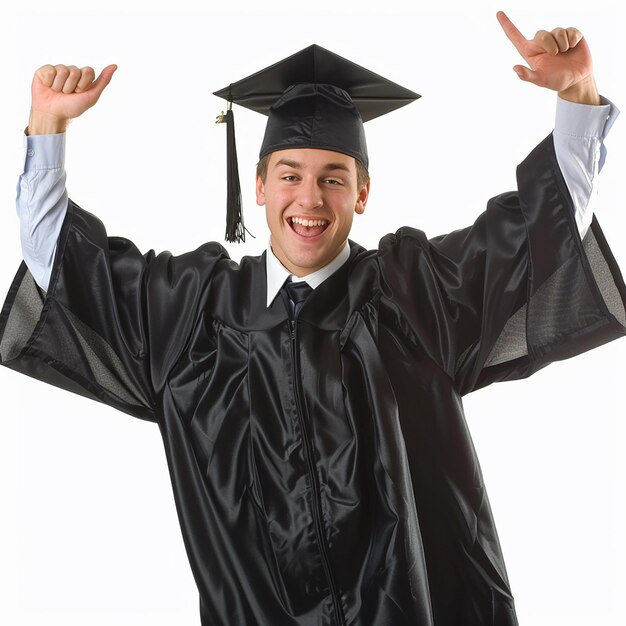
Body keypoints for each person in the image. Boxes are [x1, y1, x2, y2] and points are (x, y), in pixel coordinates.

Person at [1, 10, 624, 626]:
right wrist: (48, 125)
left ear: (361, 193)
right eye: (290, 175)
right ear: (261, 186)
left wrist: (576, 95)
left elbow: (543, 231)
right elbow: (63, 267)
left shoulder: (416, 295)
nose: (309, 199)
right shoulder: (190, 314)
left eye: (333, 178)